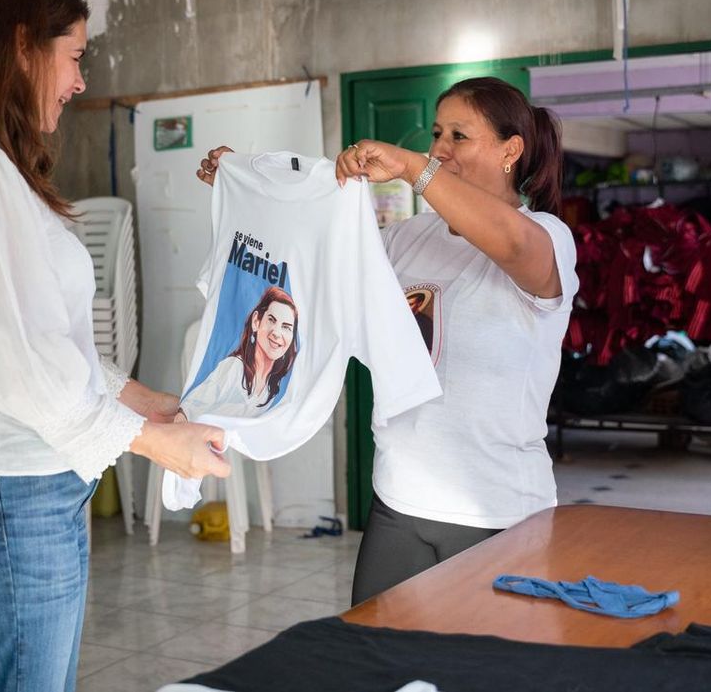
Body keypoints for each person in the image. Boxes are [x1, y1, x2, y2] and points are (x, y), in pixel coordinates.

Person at [0, 0, 230, 692]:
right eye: (73, 57)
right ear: (20, 47)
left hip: (8, 495)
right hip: (0, 496)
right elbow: (11, 362)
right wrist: (157, 443)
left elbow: (38, 341)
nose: (78, 83)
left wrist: (144, 401)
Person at [199, 76, 578, 604]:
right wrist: (247, 188)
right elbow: (311, 259)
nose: (440, 148)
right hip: (399, 500)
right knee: (379, 668)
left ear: (511, 149)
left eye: (459, 137)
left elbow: (513, 245)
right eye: (437, 133)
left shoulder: (548, 237)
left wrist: (409, 167)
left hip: (498, 509)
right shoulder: (405, 239)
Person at [181, 286, 299, 420]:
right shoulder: (234, 369)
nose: (277, 333)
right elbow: (189, 408)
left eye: (286, 327)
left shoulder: (273, 385)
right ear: (256, 321)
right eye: (271, 320)